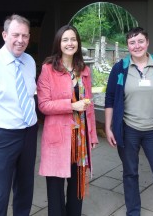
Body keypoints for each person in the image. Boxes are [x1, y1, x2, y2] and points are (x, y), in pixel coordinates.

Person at [105, 27, 153, 216]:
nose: (137, 46)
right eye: (132, 42)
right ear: (128, 45)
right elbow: (110, 98)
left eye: (140, 41)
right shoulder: (120, 68)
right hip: (128, 131)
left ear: (147, 42)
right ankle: (133, 212)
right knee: (130, 173)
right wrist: (109, 128)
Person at [37, 24, 98, 216]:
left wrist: (93, 135)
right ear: (59, 43)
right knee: (55, 192)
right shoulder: (48, 69)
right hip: (57, 139)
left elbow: (89, 108)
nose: (70, 43)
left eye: (73, 39)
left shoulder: (84, 70)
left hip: (80, 140)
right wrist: (71, 105)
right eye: (65, 39)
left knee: (77, 190)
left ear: (78, 43)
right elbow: (44, 105)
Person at [0, 14, 38, 216]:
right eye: (15, 35)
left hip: (29, 133)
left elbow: (31, 93)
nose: (20, 40)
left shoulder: (30, 61)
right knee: (1, 192)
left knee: (25, 187)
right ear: (5, 35)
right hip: (2, 135)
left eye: (25, 35)